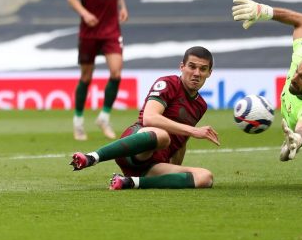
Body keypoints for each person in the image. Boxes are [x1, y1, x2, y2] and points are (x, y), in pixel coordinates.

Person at [70, 46, 219, 190]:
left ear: (209, 73)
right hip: (136, 148)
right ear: (182, 67)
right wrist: (193, 131)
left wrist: (176, 170)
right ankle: (91, 157)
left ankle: (130, 182)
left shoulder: (200, 105)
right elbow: (149, 118)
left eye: (203, 69)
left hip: (153, 165)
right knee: (163, 136)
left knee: (205, 177)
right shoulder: (169, 83)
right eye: (192, 67)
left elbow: (181, 143)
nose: (197, 73)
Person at [232, 0, 302, 184]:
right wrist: (264, 11)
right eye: (298, 71)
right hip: (293, 112)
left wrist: (298, 139)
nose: (294, 78)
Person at [67, 0, 129, 141]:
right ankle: (78, 122)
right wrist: (84, 13)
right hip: (89, 32)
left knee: (116, 73)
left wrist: (123, 7)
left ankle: (104, 117)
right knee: (86, 77)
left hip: (111, 30)